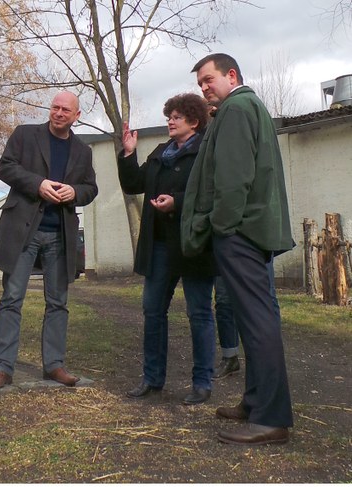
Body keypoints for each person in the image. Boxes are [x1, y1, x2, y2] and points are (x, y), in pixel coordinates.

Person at [181, 53, 294, 445]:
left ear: (231, 75)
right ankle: (255, 403)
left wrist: (221, 227)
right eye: (200, 84)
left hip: (241, 234)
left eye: (209, 79)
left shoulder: (235, 109)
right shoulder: (251, 107)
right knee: (253, 320)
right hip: (252, 232)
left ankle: (271, 418)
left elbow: (232, 180)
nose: (204, 88)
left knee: (258, 323)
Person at [0, 91, 98, 390]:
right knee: (11, 299)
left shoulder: (83, 151)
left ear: (77, 115)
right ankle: (3, 368)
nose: (58, 113)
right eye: (55, 107)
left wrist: (75, 192)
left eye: (65, 110)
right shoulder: (24, 135)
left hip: (60, 233)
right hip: (23, 230)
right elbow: (5, 167)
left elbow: (90, 188)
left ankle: (55, 366)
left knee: (58, 302)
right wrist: (38, 184)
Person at [118, 93, 216, 405]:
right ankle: (152, 378)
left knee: (199, 313)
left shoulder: (206, 152)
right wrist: (128, 153)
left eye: (177, 116)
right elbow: (134, 183)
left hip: (193, 245)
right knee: (153, 311)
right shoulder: (161, 152)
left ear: (194, 121)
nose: (170, 121)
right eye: (169, 115)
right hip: (159, 245)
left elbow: (212, 194)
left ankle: (202, 383)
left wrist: (178, 201)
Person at [213, 258, 281, 380]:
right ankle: (230, 359)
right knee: (223, 300)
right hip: (225, 244)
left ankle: (271, 359)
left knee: (266, 298)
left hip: (260, 244)